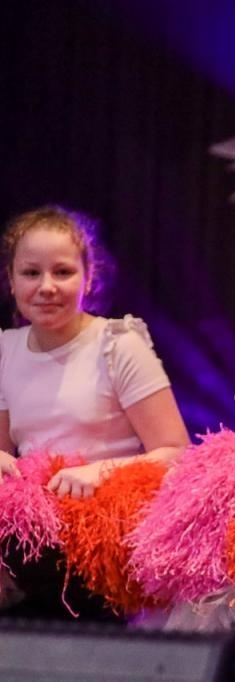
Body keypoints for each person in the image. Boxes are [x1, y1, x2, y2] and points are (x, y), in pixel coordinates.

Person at [0, 206, 188, 619]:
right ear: (11, 281)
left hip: (104, 549)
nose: (47, 287)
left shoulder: (117, 345)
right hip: (32, 544)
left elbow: (176, 451)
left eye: (63, 272)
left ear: (88, 278)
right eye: (31, 273)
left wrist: (100, 472)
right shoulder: (6, 350)